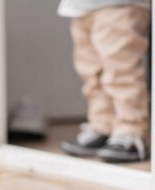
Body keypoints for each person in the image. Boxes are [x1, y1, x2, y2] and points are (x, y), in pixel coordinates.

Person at [60, 0, 151, 162]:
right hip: (80, 8)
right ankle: (103, 125)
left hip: (119, 5)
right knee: (91, 73)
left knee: (120, 71)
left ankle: (130, 129)